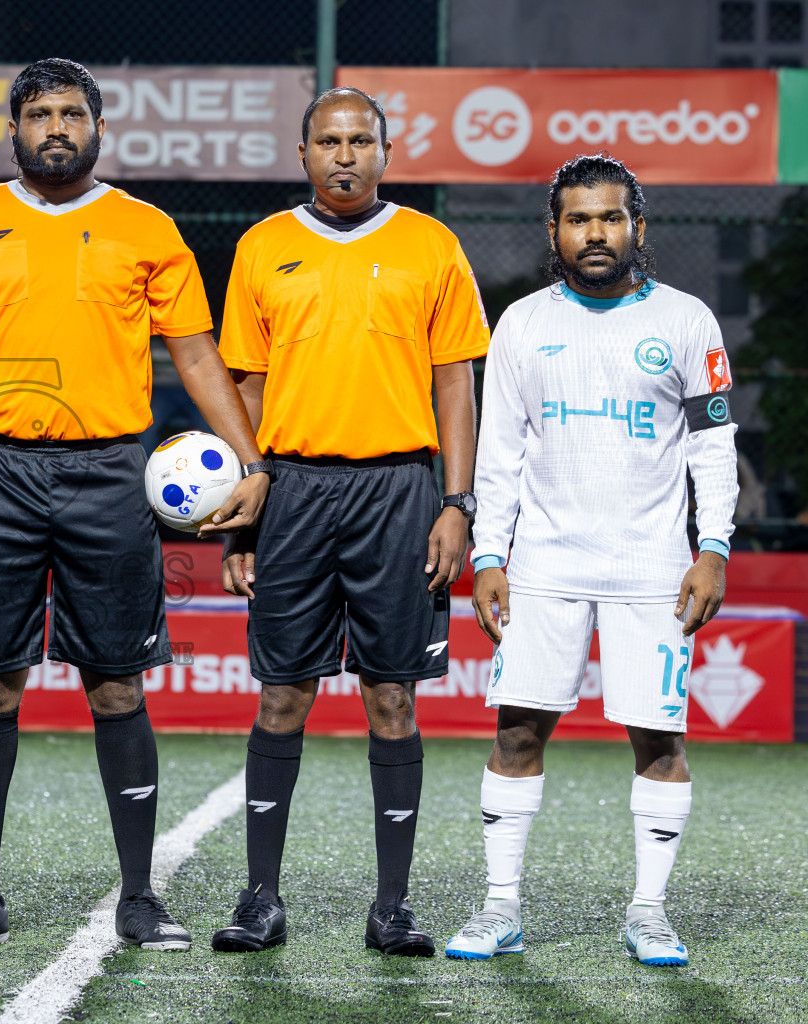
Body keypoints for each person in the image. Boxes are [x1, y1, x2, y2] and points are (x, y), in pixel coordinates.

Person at [0, 58, 269, 951]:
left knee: (117, 684)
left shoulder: (145, 227)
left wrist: (253, 459)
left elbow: (195, 355)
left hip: (110, 474)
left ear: (99, 128)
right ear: (15, 129)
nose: (56, 127)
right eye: (39, 114)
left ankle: (141, 896)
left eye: (73, 112)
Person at [211, 87, 490, 957]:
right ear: (302, 154)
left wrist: (456, 503)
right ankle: (260, 898)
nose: (344, 154)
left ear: (386, 151)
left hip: (400, 494)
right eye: (327, 140)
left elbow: (455, 384)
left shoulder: (431, 245)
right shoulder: (262, 246)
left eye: (359, 139)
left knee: (392, 696)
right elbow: (246, 390)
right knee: (283, 693)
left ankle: (393, 906)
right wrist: (239, 518)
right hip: (290, 492)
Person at [444, 155, 737, 967]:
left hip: (652, 566)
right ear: (554, 232)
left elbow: (713, 450)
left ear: (638, 228)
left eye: (610, 218)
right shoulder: (523, 324)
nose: (595, 233)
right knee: (516, 733)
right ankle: (501, 907)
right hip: (542, 564)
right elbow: (499, 452)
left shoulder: (686, 321)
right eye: (579, 219)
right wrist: (490, 554)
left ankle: (649, 911)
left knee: (661, 742)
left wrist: (711, 549)